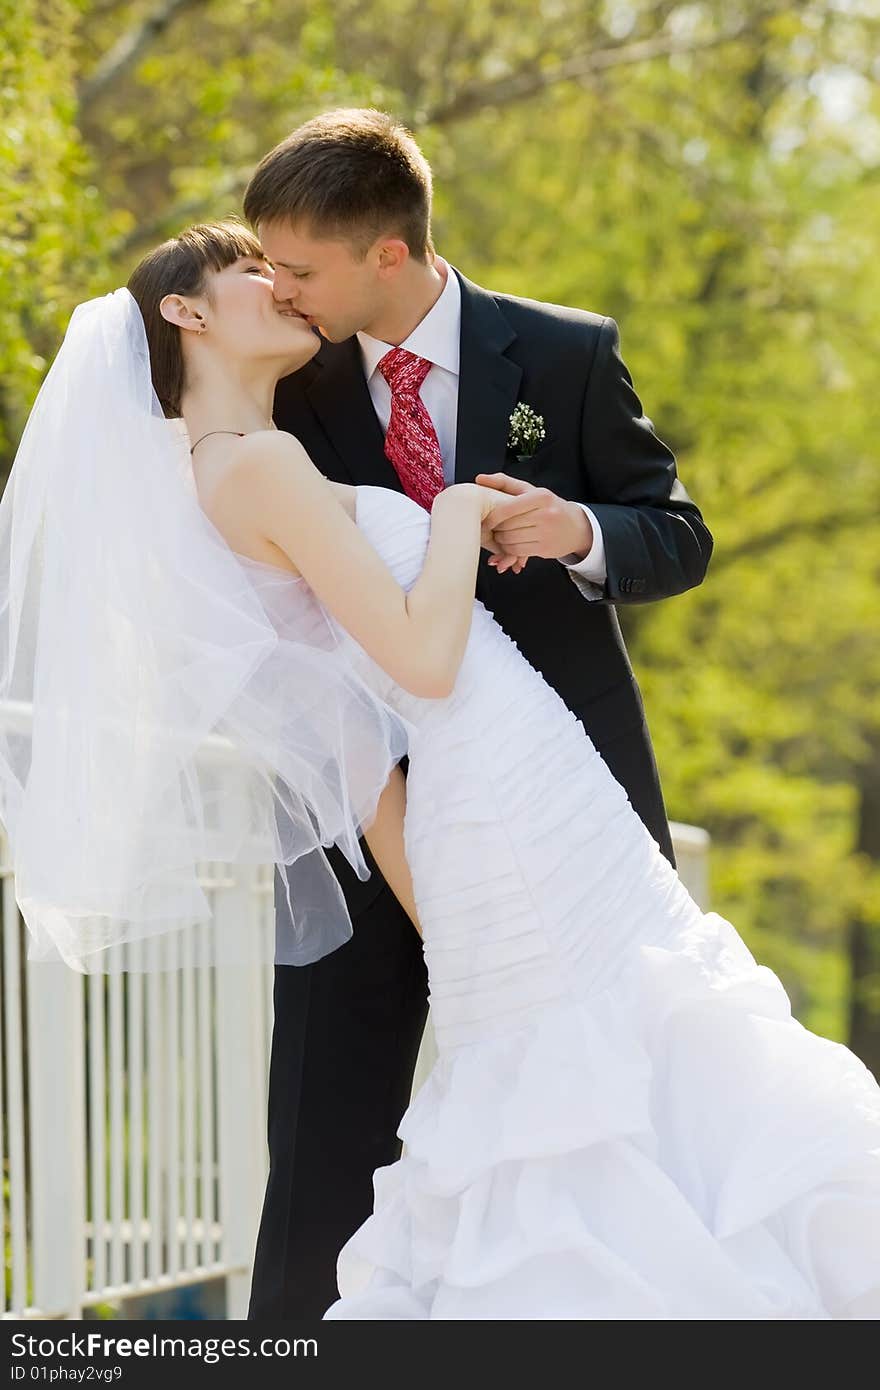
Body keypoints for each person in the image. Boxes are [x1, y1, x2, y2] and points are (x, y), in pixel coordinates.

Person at [2, 221, 877, 1319]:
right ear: (184, 312)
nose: (278, 288)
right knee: (613, 1040)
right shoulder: (264, 463)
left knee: (558, 1057)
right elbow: (421, 653)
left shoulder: (213, 473)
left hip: (499, 797)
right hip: (500, 779)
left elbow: (341, 726)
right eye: (248, 273)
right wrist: (459, 509)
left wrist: (443, 913)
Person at [240, 109, 716, 1319]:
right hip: (363, 795)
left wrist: (579, 530)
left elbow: (678, 533)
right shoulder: (282, 381)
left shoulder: (560, 354)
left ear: (386, 254)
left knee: (616, 1096)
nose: (276, 289)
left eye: (299, 267)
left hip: (544, 793)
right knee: (324, 1120)